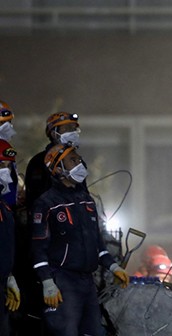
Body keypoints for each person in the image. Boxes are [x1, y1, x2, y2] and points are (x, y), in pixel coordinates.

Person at [31, 143, 129, 336]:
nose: (80, 163)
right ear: (57, 168)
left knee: (95, 332)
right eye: (72, 160)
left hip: (87, 282)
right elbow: (37, 249)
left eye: (79, 159)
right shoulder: (46, 203)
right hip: (63, 282)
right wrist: (47, 283)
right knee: (65, 331)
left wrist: (113, 266)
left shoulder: (86, 200)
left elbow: (97, 243)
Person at [24, 112, 82, 209]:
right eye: (67, 129)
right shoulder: (39, 162)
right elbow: (36, 196)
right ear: (54, 134)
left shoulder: (77, 161)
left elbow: (82, 192)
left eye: (74, 129)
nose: (72, 132)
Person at [1, 141, 20, 335]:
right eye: (1, 165)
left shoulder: (5, 208)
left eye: (8, 166)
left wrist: (9, 277)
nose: (5, 171)